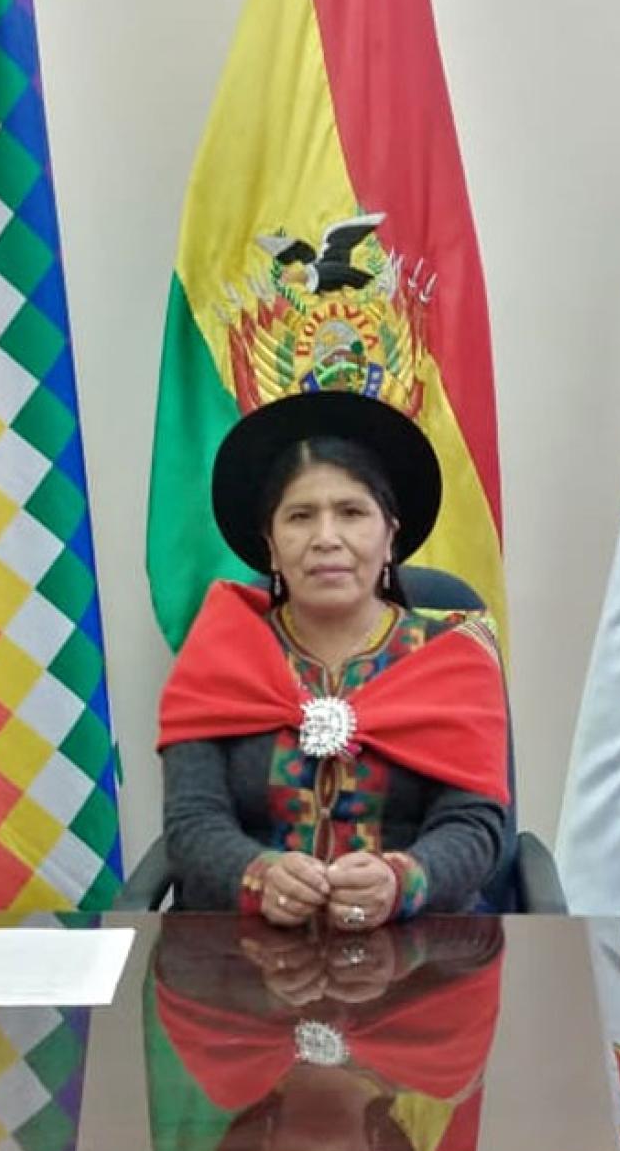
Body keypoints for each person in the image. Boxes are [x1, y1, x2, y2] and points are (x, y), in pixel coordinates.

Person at [157, 389, 509, 930]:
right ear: (271, 546)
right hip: (241, 945)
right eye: (300, 516)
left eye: (351, 513)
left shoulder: (454, 659)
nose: (326, 538)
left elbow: (474, 825)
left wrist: (400, 881)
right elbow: (192, 821)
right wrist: (259, 875)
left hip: (417, 944)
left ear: (390, 538)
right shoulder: (219, 654)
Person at [147, 913, 505, 1151]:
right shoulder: (444, 1071)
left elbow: (181, 941)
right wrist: (406, 950)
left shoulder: (222, 1057)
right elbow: (479, 935)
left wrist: (263, 957)